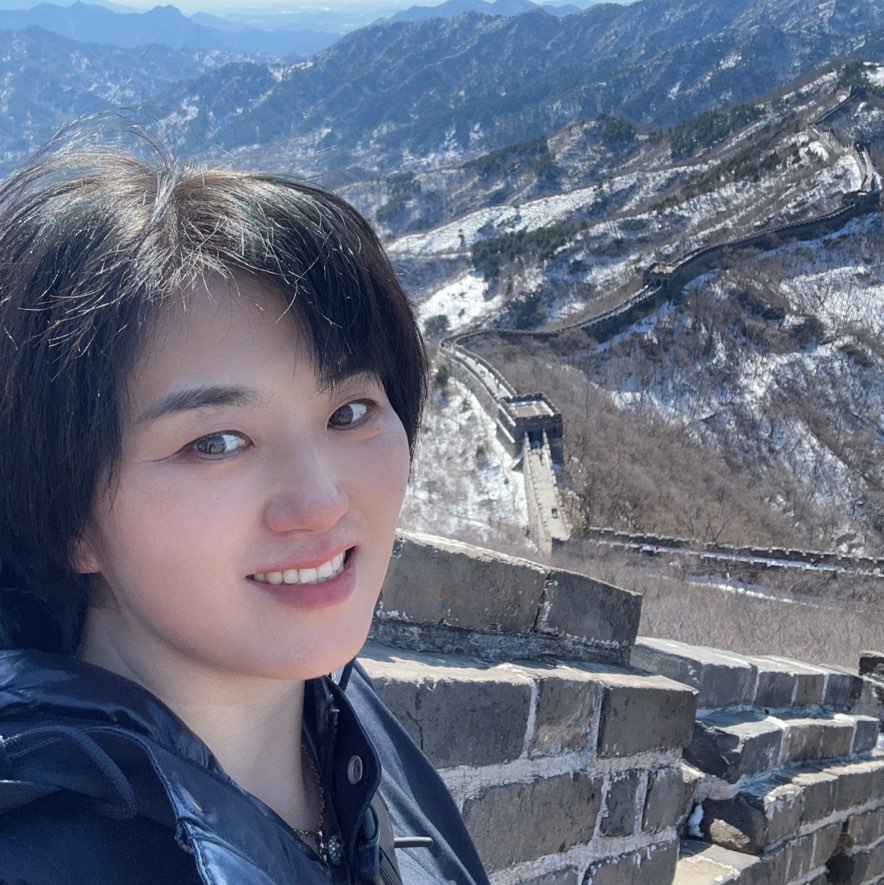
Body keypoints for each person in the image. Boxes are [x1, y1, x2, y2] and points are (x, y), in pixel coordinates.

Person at [0, 134, 490, 884]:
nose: (321, 503)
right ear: (66, 513)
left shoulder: (356, 737)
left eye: (350, 411)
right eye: (217, 442)